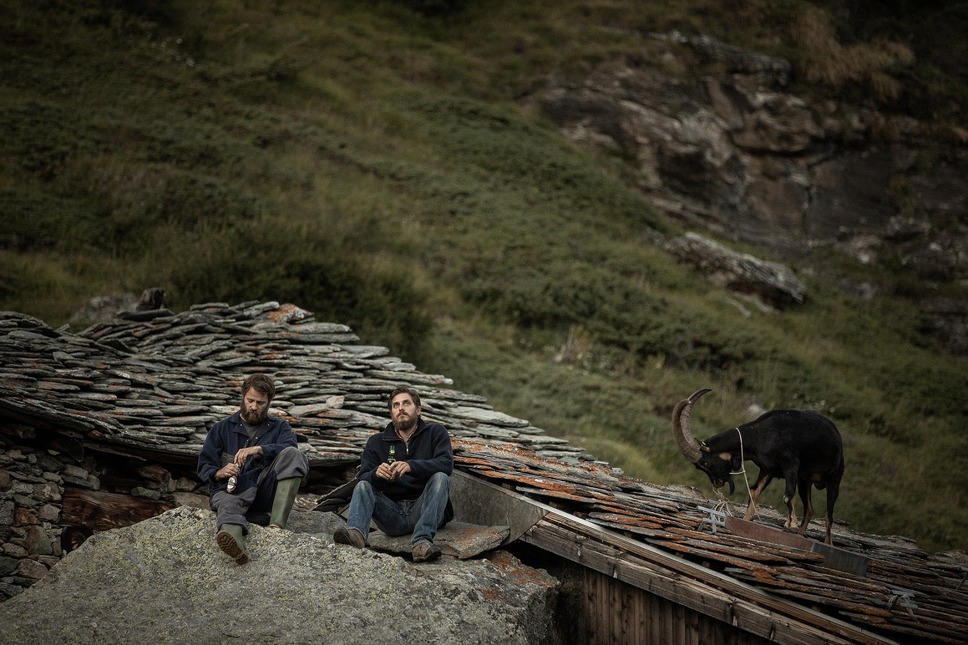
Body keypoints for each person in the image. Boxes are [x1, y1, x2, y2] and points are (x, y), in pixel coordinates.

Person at [333, 385, 454, 562]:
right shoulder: (376, 442)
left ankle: (421, 543)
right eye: (396, 405)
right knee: (363, 485)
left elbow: (446, 464)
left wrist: (412, 466)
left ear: (418, 409)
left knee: (441, 477)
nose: (401, 409)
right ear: (391, 412)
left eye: (406, 403)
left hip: (425, 509)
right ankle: (356, 535)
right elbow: (362, 478)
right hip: (392, 515)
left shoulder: (435, 432)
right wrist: (376, 474)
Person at [197, 373, 309, 565]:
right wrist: (219, 472)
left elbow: (291, 452)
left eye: (260, 403)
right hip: (230, 493)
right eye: (250, 401)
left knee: (294, 454)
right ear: (243, 397)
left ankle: (276, 527)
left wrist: (260, 449)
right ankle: (237, 548)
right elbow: (204, 465)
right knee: (228, 504)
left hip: (263, 494)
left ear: (269, 402)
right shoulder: (221, 429)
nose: (254, 407)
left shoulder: (280, 428)